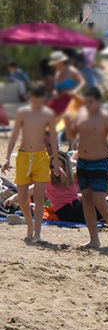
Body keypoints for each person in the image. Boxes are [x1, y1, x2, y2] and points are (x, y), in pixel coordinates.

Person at [66, 86, 108, 249]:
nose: (88, 105)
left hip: (100, 162)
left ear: (98, 102)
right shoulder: (80, 116)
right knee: (87, 200)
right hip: (82, 163)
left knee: (99, 199)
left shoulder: (105, 118)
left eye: (91, 102)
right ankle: (94, 239)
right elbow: (71, 136)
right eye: (86, 101)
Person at [27, 152, 108, 232]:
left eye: (61, 167)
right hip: (66, 212)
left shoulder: (72, 176)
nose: (58, 170)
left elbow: (101, 170)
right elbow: (28, 192)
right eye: (55, 167)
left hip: (76, 207)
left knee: (104, 202)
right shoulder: (47, 179)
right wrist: (17, 198)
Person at [1, 82, 62, 243]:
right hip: (23, 156)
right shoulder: (23, 112)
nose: (38, 103)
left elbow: (53, 138)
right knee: (22, 198)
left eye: (40, 100)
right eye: (35, 100)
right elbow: (14, 135)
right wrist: (7, 157)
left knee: (39, 197)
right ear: (31, 97)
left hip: (40, 157)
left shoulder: (48, 114)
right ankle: (30, 225)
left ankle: (38, 233)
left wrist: (56, 161)